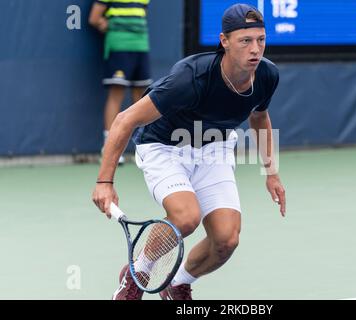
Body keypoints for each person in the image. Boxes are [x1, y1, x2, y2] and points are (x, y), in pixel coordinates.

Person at [92, 3, 286, 300]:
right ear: (224, 41)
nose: (255, 49)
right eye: (245, 41)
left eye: (261, 40)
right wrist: (105, 182)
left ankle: (177, 282)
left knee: (226, 240)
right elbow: (124, 120)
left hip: (215, 149)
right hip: (164, 147)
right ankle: (137, 273)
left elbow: (258, 116)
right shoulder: (191, 77)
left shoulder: (266, 76)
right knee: (186, 218)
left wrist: (271, 173)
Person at [89, 0, 153, 164]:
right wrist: (108, 25)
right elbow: (94, 18)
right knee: (116, 94)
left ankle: (143, 148)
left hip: (141, 46)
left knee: (141, 97)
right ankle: (109, 147)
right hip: (119, 45)